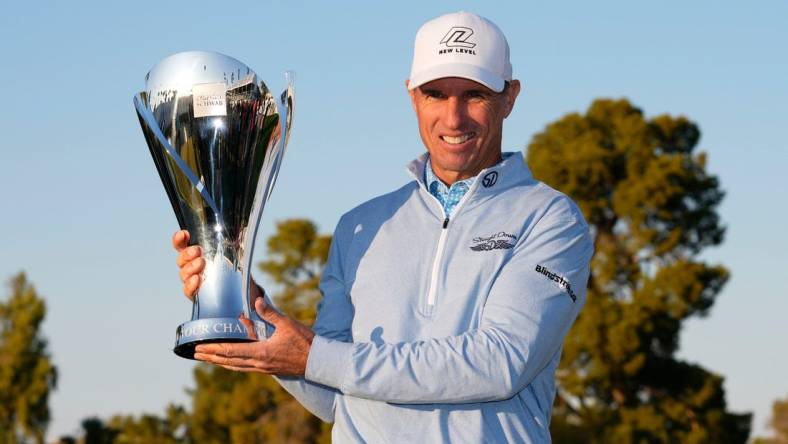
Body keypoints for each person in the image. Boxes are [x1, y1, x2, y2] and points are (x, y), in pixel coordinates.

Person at [173, 11, 593, 443]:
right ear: (412, 96)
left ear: (510, 97)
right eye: (435, 94)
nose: (453, 118)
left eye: (475, 94)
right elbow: (335, 398)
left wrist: (314, 356)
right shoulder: (360, 225)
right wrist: (246, 307)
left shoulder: (550, 218)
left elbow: (500, 362)